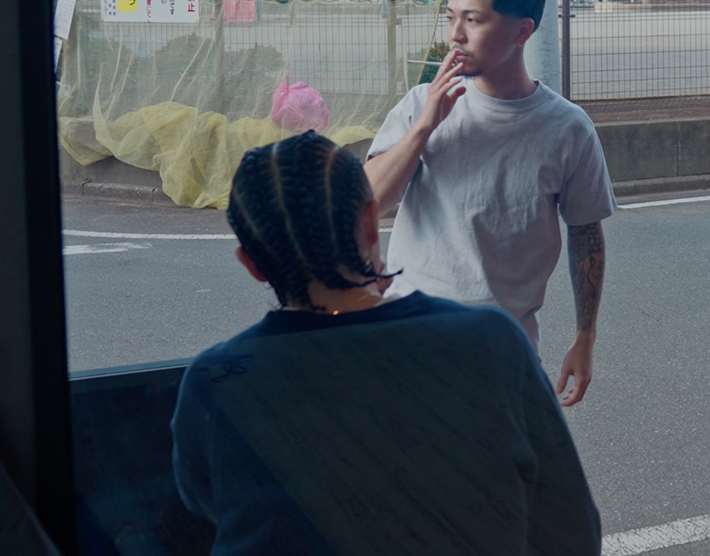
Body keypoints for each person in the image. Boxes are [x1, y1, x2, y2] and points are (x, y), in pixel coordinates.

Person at [171, 132, 601, 556]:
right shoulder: (490, 340)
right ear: (369, 223)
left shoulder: (216, 382)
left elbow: (207, 513)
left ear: (252, 264)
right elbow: (572, 532)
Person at [366, 0, 615, 406]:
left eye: (473, 20)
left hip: (503, 353)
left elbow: (586, 235)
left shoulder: (568, 128)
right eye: (450, 16)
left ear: (522, 31)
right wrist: (425, 127)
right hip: (407, 340)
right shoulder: (422, 104)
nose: (454, 35)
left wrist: (585, 337)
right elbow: (369, 203)